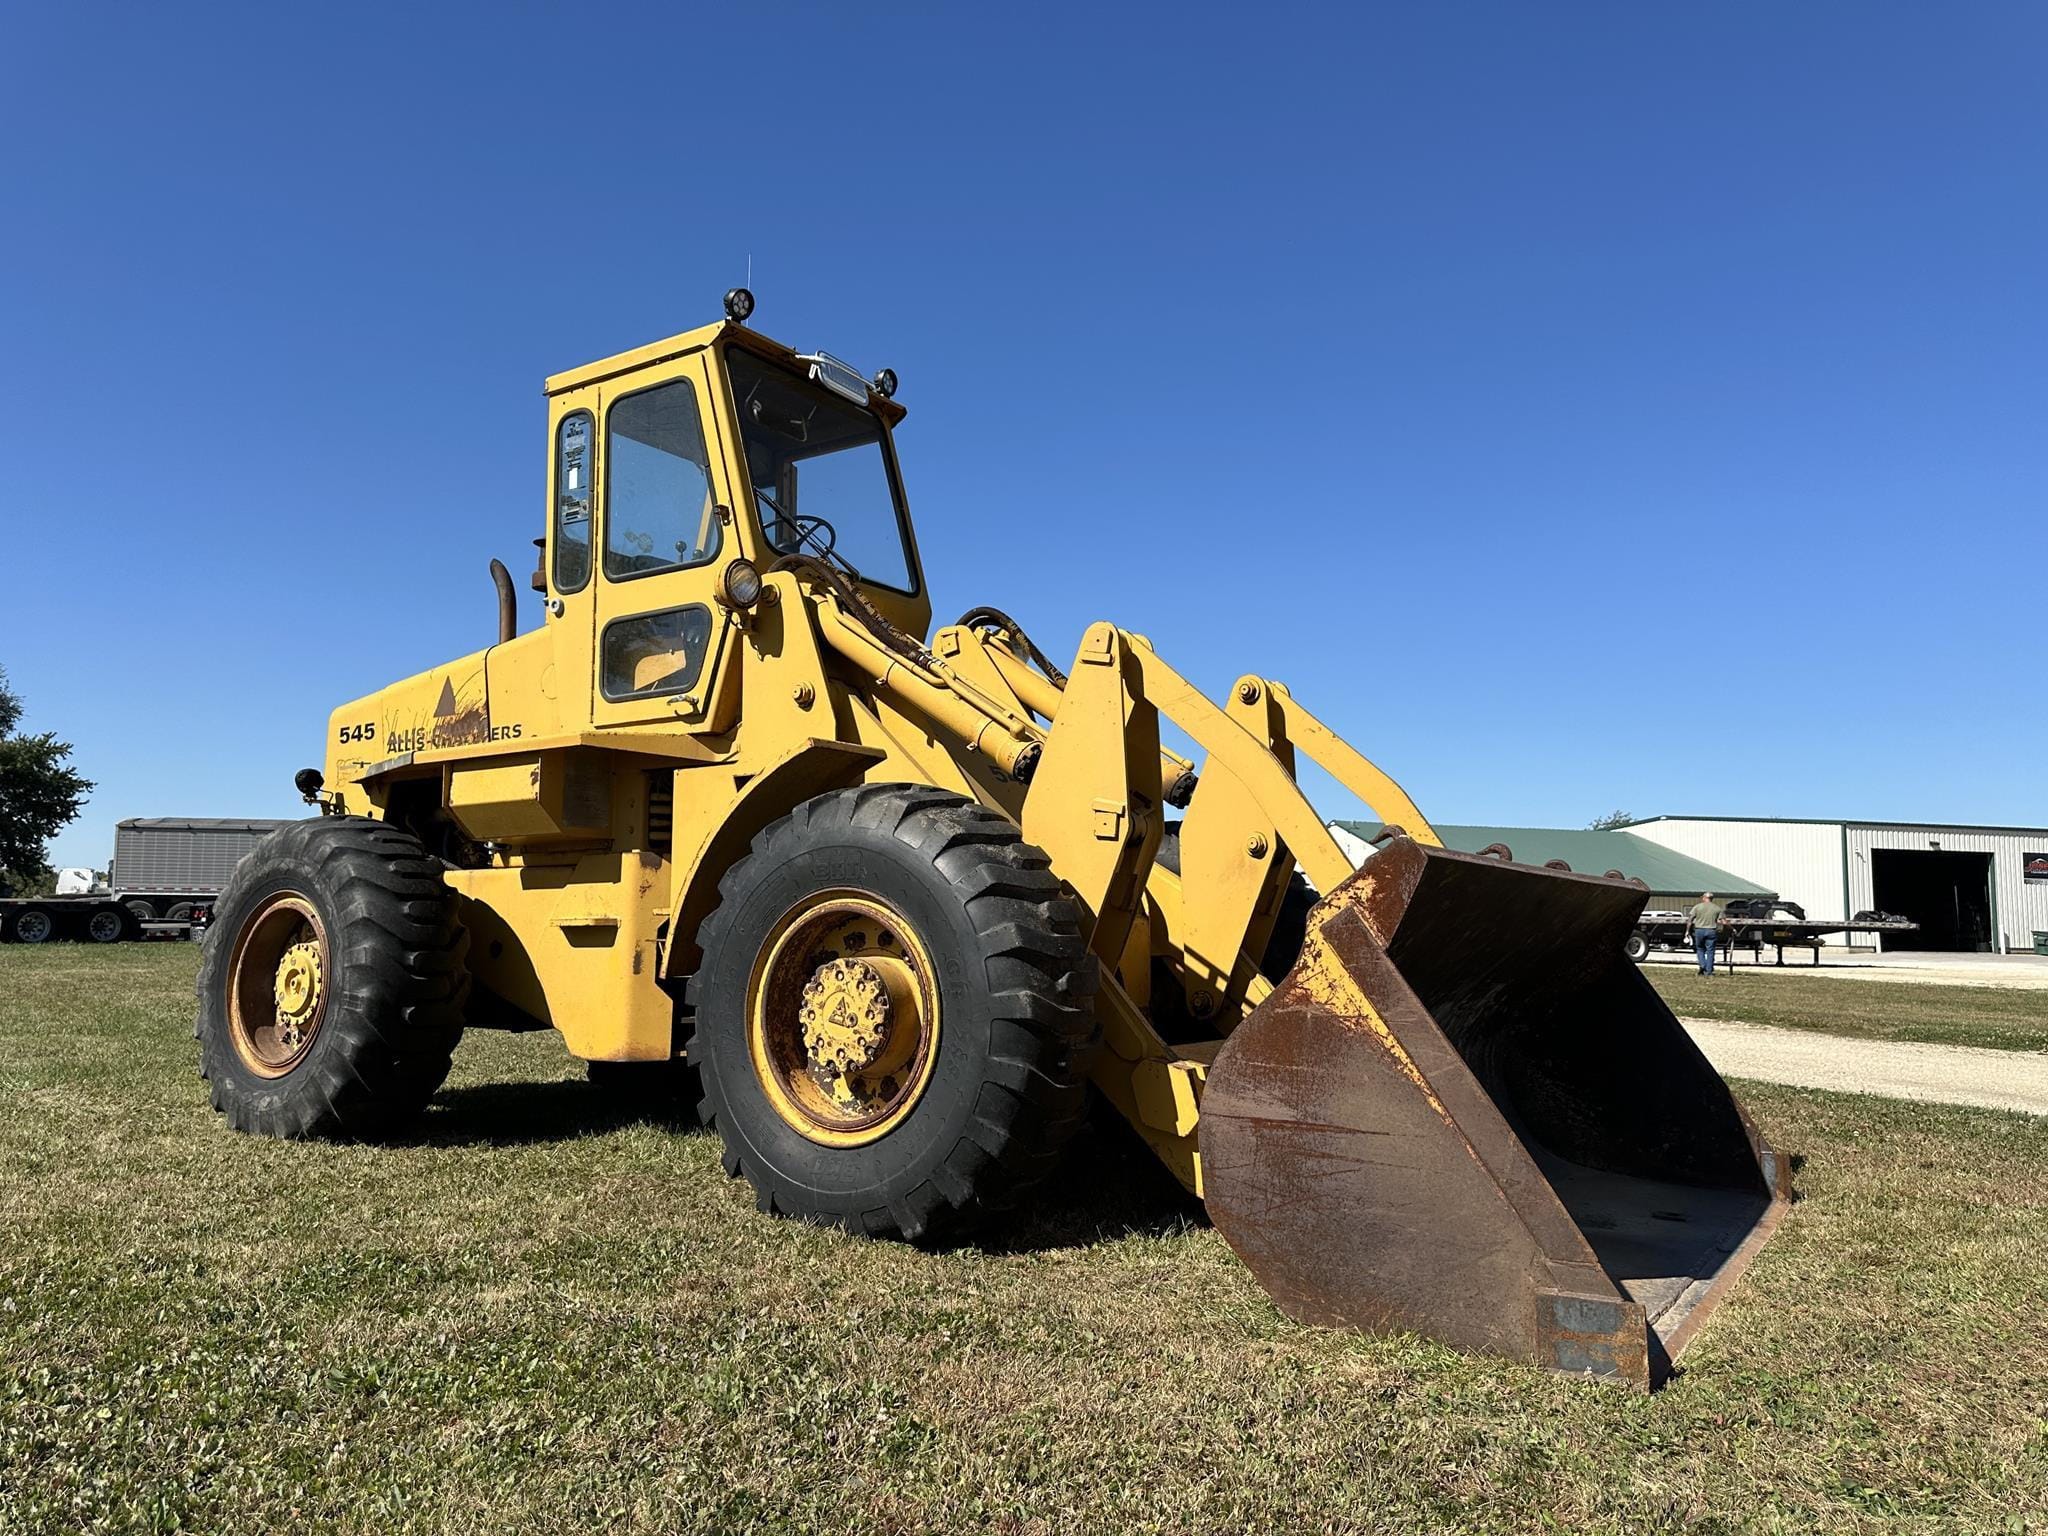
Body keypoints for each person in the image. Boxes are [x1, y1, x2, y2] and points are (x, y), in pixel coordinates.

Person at [1687, 892, 1724, 976]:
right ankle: (1709, 970)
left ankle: (1703, 966)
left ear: (1704, 898)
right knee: (1710, 951)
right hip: (1711, 930)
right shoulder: (1717, 908)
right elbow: (1720, 921)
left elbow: (1690, 920)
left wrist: (1687, 931)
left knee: (1700, 949)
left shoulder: (1697, 907)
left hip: (1699, 930)